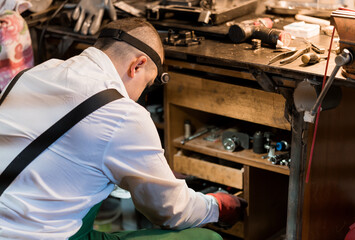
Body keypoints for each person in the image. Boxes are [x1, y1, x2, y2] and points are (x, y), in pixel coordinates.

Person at [0, 17, 247, 239]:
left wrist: (150, 171)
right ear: (137, 66)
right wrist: (219, 206)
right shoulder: (123, 114)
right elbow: (171, 212)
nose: (140, 97)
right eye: (146, 85)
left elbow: (65, 153)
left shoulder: (33, 74)